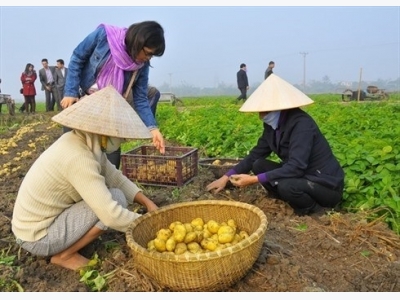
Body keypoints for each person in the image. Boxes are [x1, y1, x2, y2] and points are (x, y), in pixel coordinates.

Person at [11, 86, 159, 271]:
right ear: (105, 133)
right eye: (120, 136)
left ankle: (68, 245)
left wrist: (148, 203)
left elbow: (116, 178)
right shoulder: (78, 157)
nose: (123, 141)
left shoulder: (86, 142)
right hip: (38, 237)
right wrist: (153, 226)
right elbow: (111, 215)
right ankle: (65, 255)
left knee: (117, 194)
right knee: (113, 202)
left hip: (44, 224)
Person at [206, 74, 344, 216]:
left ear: (278, 107)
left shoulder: (302, 125)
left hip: (324, 185)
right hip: (301, 176)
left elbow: (296, 167)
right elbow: (255, 155)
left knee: (287, 186)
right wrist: (226, 177)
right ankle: (285, 199)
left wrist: (254, 179)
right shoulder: (272, 126)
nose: (261, 116)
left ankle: (315, 211)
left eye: (264, 111)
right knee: (259, 164)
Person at [60, 21, 166, 169]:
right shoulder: (104, 36)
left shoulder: (142, 65)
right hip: (84, 98)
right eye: (148, 53)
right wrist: (70, 92)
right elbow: (78, 57)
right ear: (137, 42)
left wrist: (152, 128)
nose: (148, 58)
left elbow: (140, 97)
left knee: (111, 155)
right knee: (74, 150)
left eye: (152, 55)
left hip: (111, 106)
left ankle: (106, 185)